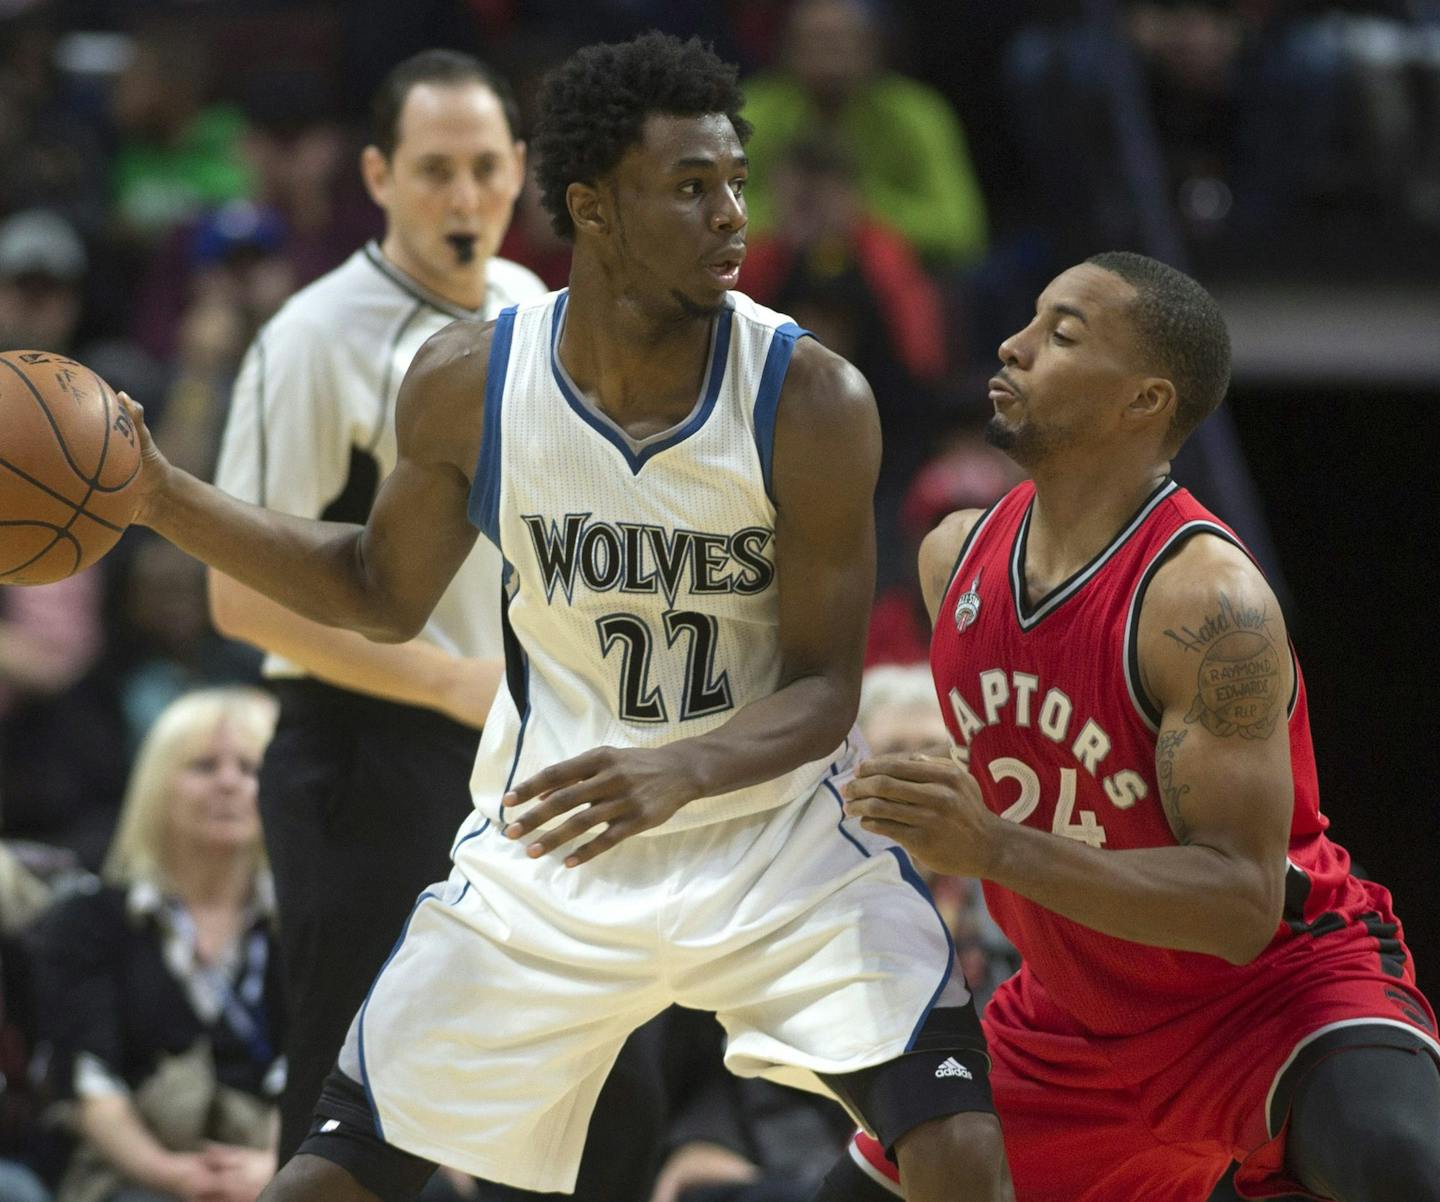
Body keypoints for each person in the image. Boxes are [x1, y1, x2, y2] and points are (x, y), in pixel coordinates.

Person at [120, 32, 1013, 1202]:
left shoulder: (812, 398)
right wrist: (158, 495)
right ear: (592, 208)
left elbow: (825, 690)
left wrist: (676, 772)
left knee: (961, 1153)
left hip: (775, 850)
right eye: (692, 187)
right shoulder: (469, 379)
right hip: (550, 859)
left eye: (735, 180)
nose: (733, 214)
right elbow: (378, 591)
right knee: (330, 1177)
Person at [838, 251, 1440, 1201]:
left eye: (1063, 334)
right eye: (1031, 320)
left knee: (1398, 1166)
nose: (1014, 344)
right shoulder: (952, 559)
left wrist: (991, 846)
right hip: (1070, 1019)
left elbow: (1240, 906)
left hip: (1268, 1000)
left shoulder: (1210, 606)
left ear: (1143, 402)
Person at [205, 48, 671, 1196]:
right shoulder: (314, 338)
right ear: (377, 174)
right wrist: (450, 684)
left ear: (524, 170)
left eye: (484, 169)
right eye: (433, 171)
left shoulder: (538, 310)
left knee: (608, 1086)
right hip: (367, 753)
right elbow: (241, 596)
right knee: (358, 1101)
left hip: (538, 750)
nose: (463, 198)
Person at [27, 687, 284, 1202]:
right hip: (133, 1176)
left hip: (281, 1167)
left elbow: (320, 1069)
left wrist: (279, 1169)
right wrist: (174, 1175)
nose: (229, 784)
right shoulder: (89, 920)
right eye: (204, 767)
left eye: (250, 769)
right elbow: (86, 1081)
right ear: (155, 784)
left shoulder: (303, 926)